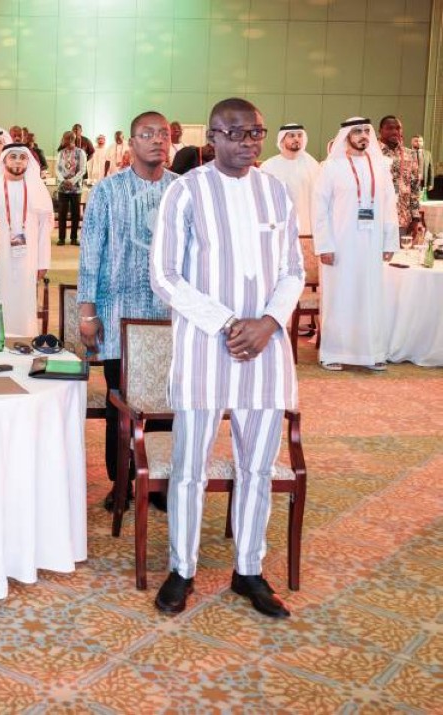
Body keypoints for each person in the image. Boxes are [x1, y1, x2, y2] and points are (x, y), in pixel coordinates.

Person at [150, 97, 304, 620]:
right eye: (236, 133)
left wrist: (268, 323)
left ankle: (249, 570)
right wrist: (227, 323)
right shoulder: (185, 191)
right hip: (204, 349)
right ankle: (182, 569)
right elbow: (164, 275)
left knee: (257, 466)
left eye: (255, 132)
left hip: (265, 351)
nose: (248, 142)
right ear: (212, 137)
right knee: (189, 467)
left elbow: (293, 270)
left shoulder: (276, 191)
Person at [78, 111, 177, 511]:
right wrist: (87, 311)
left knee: (167, 402)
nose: (157, 140)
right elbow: (90, 252)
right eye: (147, 134)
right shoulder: (107, 190)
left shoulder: (181, 190)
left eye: (163, 134)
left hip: (169, 317)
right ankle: (122, 483)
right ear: (131, 143)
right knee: (120, 403)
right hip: (118, 315)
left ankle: (161, 481)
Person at [312, 118, 399, 372]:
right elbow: (319, 209)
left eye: (366, 131)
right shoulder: (331, 167)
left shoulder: (381, 166)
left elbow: (389, 205)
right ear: (346, 135)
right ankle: (333, 353)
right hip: (340, 245)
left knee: (371, 297)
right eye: (357, 131)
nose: (363, 136)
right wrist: (324, 245)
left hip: (372, 244)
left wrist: (389, 241)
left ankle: (372, 353)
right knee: (340, 296)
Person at [0, 143, 52, 336]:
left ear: (28, 161)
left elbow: (45, 229)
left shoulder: (37, 188)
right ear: (4, 160)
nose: (18, 161)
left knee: (24, 301)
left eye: (22, 157)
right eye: (13, 157)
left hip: (28, 256)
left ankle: (24, 337)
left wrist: (43, 262)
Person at [260, 123, 320, 236]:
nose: (296, 139)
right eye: (291, 136)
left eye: (299, 135)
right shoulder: (268, 166)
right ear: (282, 140)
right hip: (279, 227)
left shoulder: (312, 165)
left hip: (306, 228)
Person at [378, 116, 422, 238]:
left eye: (398, 128)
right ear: (380, 131)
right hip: (377, 218)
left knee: (401, 250)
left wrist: (415, 218)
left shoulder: (410, 154)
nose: (394, 132)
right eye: (389, 128)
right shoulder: (372, 153)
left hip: (402, 219)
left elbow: (415, 188)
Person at [55, 130, 86, 246]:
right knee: (62, 213)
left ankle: (74, 238)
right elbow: (57, 169)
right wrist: (64, 180)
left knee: (75, 214)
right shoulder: (60, 153)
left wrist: (72, 181)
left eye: (65, 138)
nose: (63, 141)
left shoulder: (81, 152)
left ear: (71, 139)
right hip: (62, 188)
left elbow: (82, 169)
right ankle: (61, 238)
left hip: (75, 188)